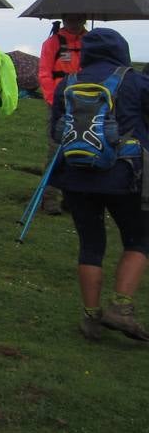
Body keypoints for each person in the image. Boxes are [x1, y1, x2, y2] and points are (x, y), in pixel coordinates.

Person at [48, 28, 149, 342]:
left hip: (75, 175)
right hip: (125, 175)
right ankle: (121, 307)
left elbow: (55, 131)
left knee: (91, 244)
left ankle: (91, 318)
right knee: (139, 240)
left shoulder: (68, 83)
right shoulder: (136, 82)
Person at [37, 16, 87, 215]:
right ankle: (50, 199)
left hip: (85, 104)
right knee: (56, 149)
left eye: (77, 17)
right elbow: (44, 73)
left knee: (82, 148)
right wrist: (53, 100)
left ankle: (74, 197)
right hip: (59, 104)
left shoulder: (91, 41)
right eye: (70, 18)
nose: (74, 21)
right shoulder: (52, 43)